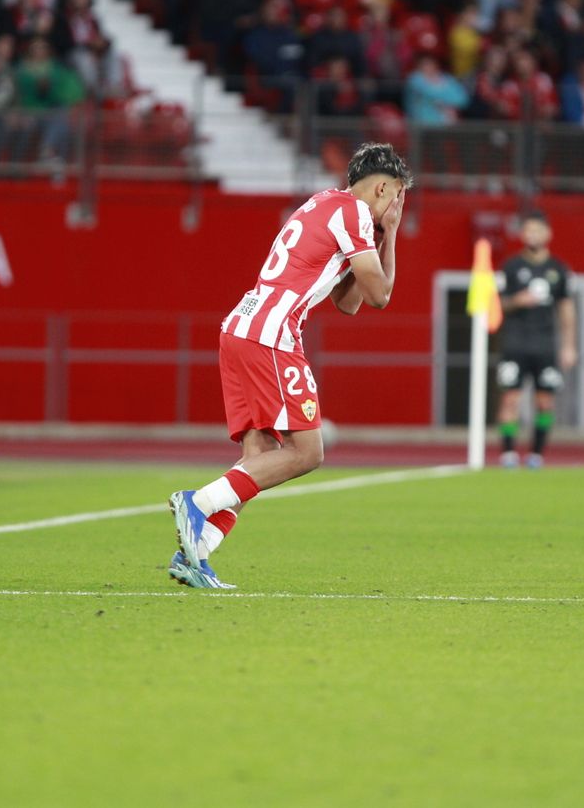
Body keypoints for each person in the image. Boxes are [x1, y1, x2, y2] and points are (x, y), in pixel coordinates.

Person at [168, 143, 412, 589]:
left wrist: (378, 236)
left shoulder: (324, 204)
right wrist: (392, 233)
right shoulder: (356, 213)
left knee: (257, 457)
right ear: (383, 187)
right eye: (397, 196)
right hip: (272, 336)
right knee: (307, 453)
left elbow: (349, 302)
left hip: (239, 327)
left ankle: (195, 554)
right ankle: (198, 502)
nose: (396, 207)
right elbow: (380, 296)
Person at [496, 213, 577, 469]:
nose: (532, 235)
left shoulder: (558, 269)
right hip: (515, 342)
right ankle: (508, 454)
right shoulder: (510, 267)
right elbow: (496, 304)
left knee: (545, 402)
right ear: (522, 234)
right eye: (528, 230)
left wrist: (569, 345)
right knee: (510, 399)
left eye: (537, 230)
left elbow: (566, 308)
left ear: (547, 234)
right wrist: (516, 301)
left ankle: (536, 455)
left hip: (545, 344)